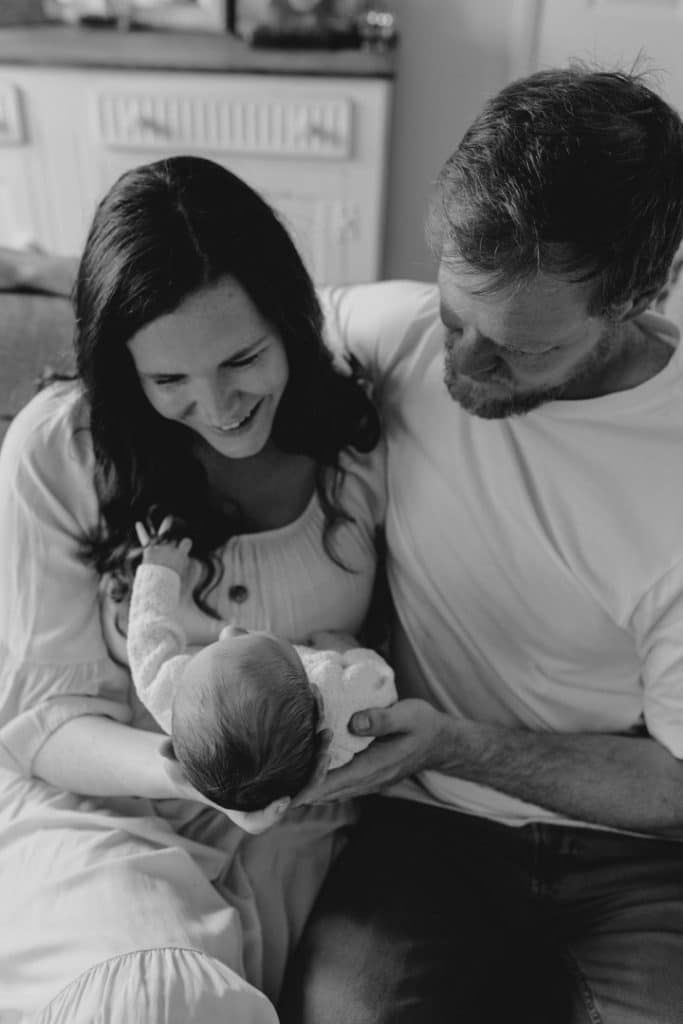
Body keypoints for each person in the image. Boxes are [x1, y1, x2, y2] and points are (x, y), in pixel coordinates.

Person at [278, 68, 683, 1024]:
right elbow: (229, 314)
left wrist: (458, 741)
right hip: (425, 831)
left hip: (632, 850)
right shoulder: (402, 335)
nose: (458, 366)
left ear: (630, 301)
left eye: (515, 348)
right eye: (457, 316)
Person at [0, 155, 386, 1021]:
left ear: (289, 321)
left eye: (242, 359)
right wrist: (185, 772)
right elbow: (43, 720)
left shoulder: (360, 444)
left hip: (298, 820)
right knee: (153, 1000)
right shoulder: (56, 454)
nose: (216, 406)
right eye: (167, 380)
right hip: (100, 807)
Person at [127, 526, 397, 827]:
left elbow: (147, 640)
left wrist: (158, 569)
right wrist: (347, 650)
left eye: (223, 644)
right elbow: (380, 683)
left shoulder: (175, 698)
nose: (230, 629)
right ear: (315, 694)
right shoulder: (339, 701)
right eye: (248, 638)